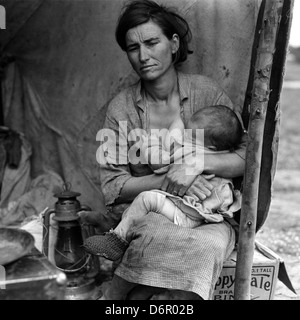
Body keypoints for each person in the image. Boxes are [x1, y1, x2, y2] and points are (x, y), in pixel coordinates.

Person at [86, 0, 247, 300]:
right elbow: (114, 187)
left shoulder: (207, 93)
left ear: (173, 44)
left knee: (205, 251)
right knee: (151, 244)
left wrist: (197, 163)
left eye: (151, 42)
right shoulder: (122, 108)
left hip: (209, 216)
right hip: (154, 214)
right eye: (133, 48)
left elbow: (246, 157)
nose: (143, 56)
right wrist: (167, 181)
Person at [83, 105, 243, 261]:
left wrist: (149, 142)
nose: (185, 137)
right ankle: (113, 226)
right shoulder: (218, 154)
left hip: (188, 216)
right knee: (142, 210)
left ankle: (116, 242)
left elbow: (159, 161)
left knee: (147, 199)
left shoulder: (191, 152)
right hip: (199, 211)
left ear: (210, 146)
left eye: (191, 136)